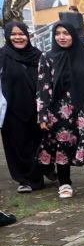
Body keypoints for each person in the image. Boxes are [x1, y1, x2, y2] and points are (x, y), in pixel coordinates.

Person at [36, 22, 84, 204]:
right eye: (58, 34)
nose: (62, 37)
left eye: (66, 33)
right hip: (60, 110)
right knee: (63, 143)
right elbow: (43, 86)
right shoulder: (48, 58)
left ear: (74, 36)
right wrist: (42, 114)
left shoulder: (83, 56)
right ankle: (65, 184)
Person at [0, 21, 46, 193]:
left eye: (21, 34)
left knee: (40, 143)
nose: (18, 37)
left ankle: (42, 172)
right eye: (13, 34)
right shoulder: (2, 55)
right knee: (18, 145)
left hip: (38, 109)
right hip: (12, 111)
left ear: (27, 35)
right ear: (7, 36)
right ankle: (24, 179)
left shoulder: (38, 55)